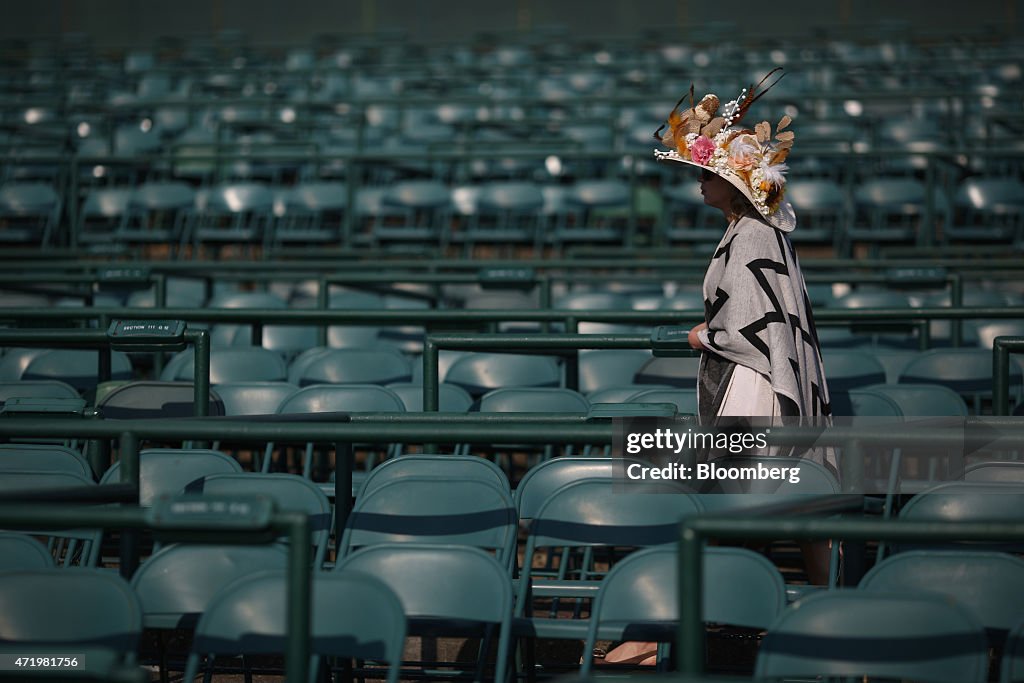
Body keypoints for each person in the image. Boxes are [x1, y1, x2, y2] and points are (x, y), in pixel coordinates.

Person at [597, 72, 833, 668]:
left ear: (730, 185)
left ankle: (661, 637)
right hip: (759, 386)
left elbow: (751, 327)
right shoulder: (753, 231)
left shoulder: (753, 236)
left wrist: (703, 334)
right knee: (786, 516)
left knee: (712, 513)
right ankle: (834, 628)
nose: (698, 184)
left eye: (706, 175)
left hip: (752, 390)